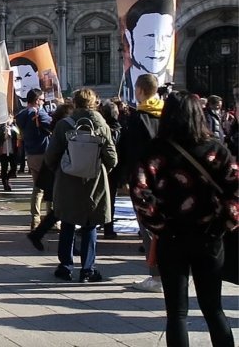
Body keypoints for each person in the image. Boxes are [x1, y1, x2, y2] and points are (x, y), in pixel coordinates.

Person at [130, 91, 237, 347]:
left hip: (172, 237)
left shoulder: (155, 151)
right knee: (214, 310)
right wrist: (222, 224)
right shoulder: (217, 150)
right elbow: (236, 191)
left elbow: (139, 193)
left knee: (176, 313)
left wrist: (159, 225)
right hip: (209, 237)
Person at [45, 88, 117, 283]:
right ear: (94, 103)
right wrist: (101, 169)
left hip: (68, 179)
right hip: (94, 180)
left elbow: (51, 155)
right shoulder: (102, 125)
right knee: (90, 224)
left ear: (74, 103)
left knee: (68, 222)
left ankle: (65, 266)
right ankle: (87, 269)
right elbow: (112, 158)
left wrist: (59, 170)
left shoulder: (63, 125)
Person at [117, 74, 164, 292]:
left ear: (139, 91)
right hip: (166, 180)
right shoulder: (167, 115)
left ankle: (155, 276)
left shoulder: (138, 118)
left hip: (144, 181)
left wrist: (125, 179)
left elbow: (130, 153)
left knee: (147, 227)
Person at [26, 102, 75, 252]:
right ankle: (40, 234)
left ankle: (38, 233)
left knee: (62, 209)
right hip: (61, 171)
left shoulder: (56, 127)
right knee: (65, 209)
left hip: (55, 171)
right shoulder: (63, 128)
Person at [122, 0, 175, 105]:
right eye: (150, 36)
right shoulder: (124, 88)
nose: (158, 47)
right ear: (129, 38)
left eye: (166, 37)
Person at [15, 88, 52, 230]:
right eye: (42, 99)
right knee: (50, 188)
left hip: (31, 154)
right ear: (37, 100)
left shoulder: (21, 115)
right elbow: (52, 124)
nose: (43, 102)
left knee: (37, 188)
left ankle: (35, 219)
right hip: (44, 152)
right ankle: (52, 220)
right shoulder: (38, 112)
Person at [99, 100, 122, 240]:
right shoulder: (119, 129)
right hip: (112, 168)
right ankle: (108, 228)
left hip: (102, 167)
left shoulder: (102, 128)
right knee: (110, 199)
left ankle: (103, 226)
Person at [0, 115, 19, 192]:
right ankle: (5, 184)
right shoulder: (1, 128)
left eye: (10, 118)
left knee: (14, 168)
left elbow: (18, 135)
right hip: (3, 151)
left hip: (12, 150)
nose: (9, 120)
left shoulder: (14, 127)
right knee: (4, 168)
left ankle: (7, 178)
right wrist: (4, 134)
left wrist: (11, 132)